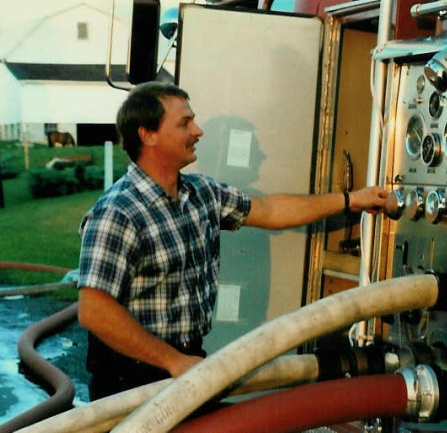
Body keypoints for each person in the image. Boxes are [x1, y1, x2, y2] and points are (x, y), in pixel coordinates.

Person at [77, 81, 388, 400]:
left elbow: (270, 210)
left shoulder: (202, 194)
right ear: (148, 135)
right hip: (130, 380)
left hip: (187, 363)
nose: (198, 131)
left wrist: (351, 200)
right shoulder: (118, 213)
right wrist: (173, 362)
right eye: (185, 123)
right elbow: (95, 311)